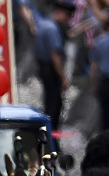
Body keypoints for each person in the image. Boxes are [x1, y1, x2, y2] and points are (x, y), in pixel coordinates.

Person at [33, 0, 73, 131]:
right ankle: (51, 134)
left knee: (49, 100)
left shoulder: (43, 24)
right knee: (54, 104)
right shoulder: (53, 29)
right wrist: (63, 77)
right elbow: (55, 56)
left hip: (43, 67)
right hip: (50, 69)